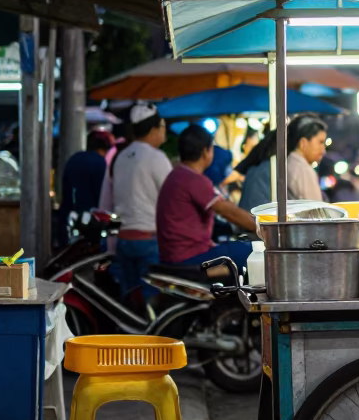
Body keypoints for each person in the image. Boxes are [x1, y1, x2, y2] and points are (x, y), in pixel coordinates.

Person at [156, 125, 258, 271]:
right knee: (251, 252)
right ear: (206, 152)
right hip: (189, 257)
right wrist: (261, 228)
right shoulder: (193, 179)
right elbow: (227, 211)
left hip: (173, 255)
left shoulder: (175, 175)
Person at [108, 103, 170, 300]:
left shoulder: (121, 157)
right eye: (162, 126)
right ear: (154, 129)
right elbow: (171, 196)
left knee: (130, 301)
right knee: (151, 304)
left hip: (124, 239)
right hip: (149, 241)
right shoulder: (156, 157)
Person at [235, 115, 329, 212]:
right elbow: (317, 213)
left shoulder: (283, 163)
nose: (323, 150)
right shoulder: (300, 168)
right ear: (303, 143)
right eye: (320, 142)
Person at [54, 130, 113, 248]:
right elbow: (102, 196)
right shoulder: (100, 163)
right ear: (104, 148)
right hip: (90, 224)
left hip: (68, 221)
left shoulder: (73, 159)